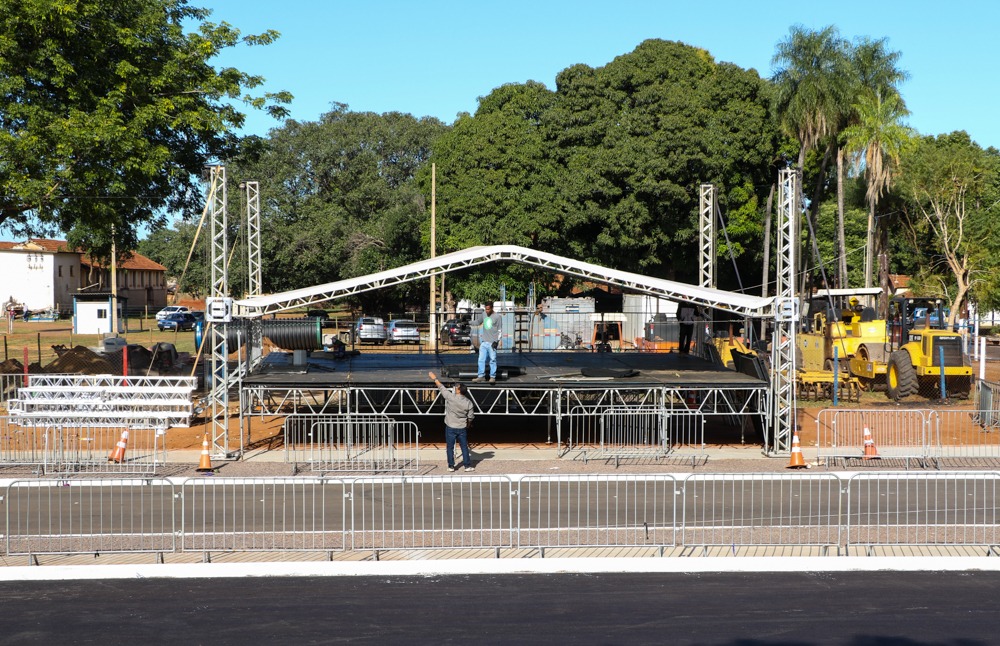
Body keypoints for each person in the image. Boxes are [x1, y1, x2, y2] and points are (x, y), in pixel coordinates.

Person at [428, 371, 476, 471]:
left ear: (458, 390)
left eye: (456, 387)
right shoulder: (469, 403)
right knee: (464, 447)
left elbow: (441, 388)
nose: (455, 387)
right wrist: (468, 424)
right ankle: (467, 466)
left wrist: (435, 378)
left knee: (449, 447)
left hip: (450, 427)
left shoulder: (451, 397)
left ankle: (451, 466)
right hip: (462, 427)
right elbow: (471, 417)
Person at [471, 303, 502, 383]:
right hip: (484, 342)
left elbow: (500, 330)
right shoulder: (484, 314)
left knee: (492, 359)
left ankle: (492, 377)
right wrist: (469, 322)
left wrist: (497, 341)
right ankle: (481, 376)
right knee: (481, 359)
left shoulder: (497, 317)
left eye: (488, 309)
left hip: (492, 342)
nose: (487, 311)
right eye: (486, 309)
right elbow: (478, 322)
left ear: (492, 308)